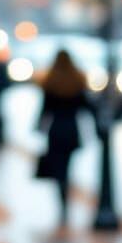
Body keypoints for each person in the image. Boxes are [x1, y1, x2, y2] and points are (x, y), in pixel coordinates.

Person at [36, 49, 96, 231]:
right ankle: (66, 198)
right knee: (68, 167)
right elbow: (87, 107)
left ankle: (62, 201)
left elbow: (44, 109)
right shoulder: (77, 81)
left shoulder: (51, 81)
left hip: (55, 130)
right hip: (72, 130)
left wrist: (39, 127)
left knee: (58, 168)